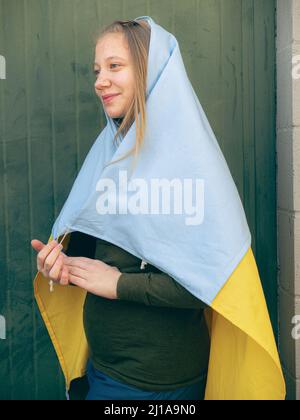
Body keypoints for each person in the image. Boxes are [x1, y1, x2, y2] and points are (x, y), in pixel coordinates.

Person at [32, 16, 286, 400]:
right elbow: (94, 251)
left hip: (159, 386)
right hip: (101, 370)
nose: (100, 80)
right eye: (97, 69)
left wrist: (118, 284)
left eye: (115, 66)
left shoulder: (193, 165)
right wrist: (59, 263)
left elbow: (207, 284)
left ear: (151, 73)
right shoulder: (108, 155)